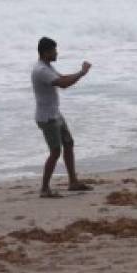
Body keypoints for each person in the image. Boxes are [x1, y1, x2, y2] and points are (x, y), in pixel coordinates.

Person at [31, 36, 93, 198]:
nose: (56, 53)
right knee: (55, 151)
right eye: (53, 50)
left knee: (69, 143)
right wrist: (82, 72)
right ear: (45, 52)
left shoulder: (47, 66)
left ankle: (73, 182)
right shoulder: (41, 71)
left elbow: (63, 78)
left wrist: (79, 73)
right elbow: (63, 84)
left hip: (55, 114)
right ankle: (44, 188)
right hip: (47, 117)